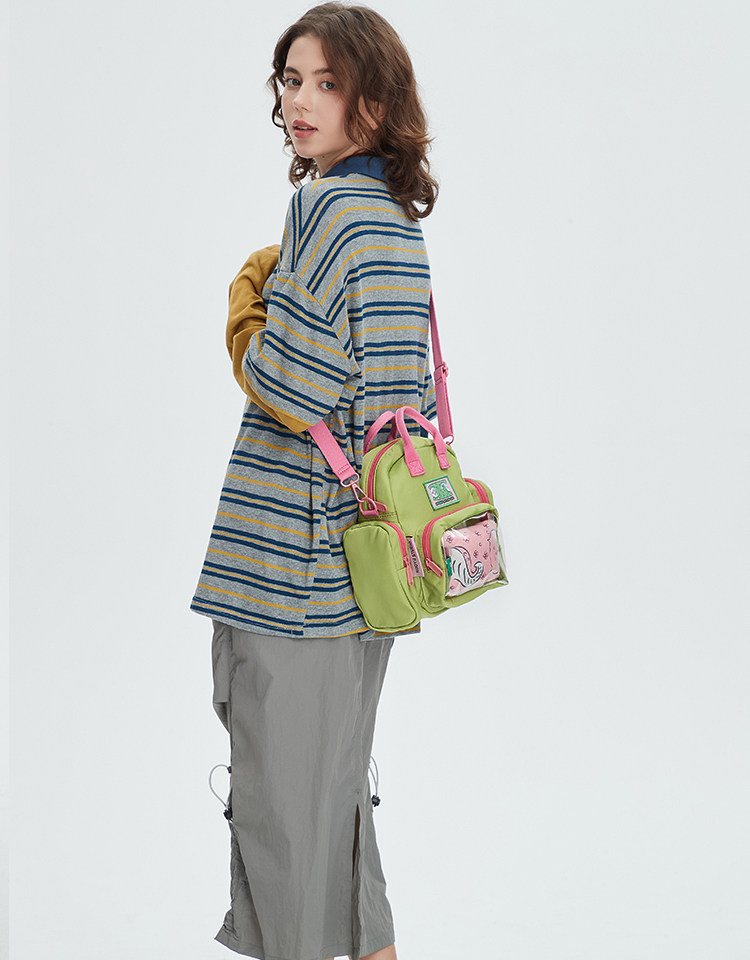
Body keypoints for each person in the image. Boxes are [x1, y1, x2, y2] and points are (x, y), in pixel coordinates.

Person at [190, 4, 439, 959]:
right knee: (336, 800)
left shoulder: (324, 208)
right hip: (370, 564)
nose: (301, 101)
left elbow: (290, 385)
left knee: (281, 818)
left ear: (373, 101)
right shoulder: (399, 224)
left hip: (288, 568)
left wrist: (247, 306)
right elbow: (409, 395)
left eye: (328, 83)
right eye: (292, 80)